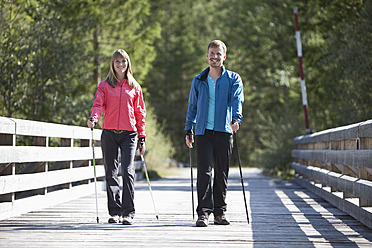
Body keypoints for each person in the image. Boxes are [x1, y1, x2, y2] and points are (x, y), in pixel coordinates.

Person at [184, 40, 244, 227]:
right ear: (207, 55)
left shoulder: (233, 78)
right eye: (212, 53)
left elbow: (237, 100)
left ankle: (220, 212)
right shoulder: (199, 80)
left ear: (224, 56)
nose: (214, 57)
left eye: (218, 54)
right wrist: (188, 128)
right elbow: (192, 106)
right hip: (203, 132)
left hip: (224, 131)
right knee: (204, 173)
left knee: (222, 173)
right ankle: (203, 213)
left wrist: (236, 119)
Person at [87, 49, 146, 225]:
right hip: (109, 133)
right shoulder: (104, 86)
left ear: (128, 63)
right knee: (111, 172)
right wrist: (94, 118)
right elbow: (98, 104)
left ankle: (128, 212)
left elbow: (140, 113)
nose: (121, 65)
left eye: (124, 61)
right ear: (112, 64)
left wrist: (142, 136)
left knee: (127, 171)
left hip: (129, 134)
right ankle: (115, 211)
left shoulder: (134, 87)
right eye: (117, 62)